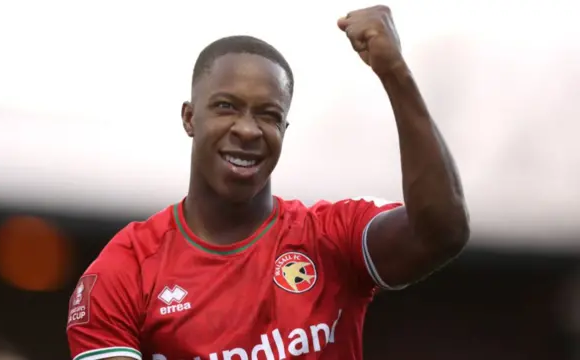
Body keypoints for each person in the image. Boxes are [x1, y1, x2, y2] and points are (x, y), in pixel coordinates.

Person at [66, 5, 470, 360]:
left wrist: (394, 71)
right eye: (226, 107)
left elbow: (442, 233)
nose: (247, 129)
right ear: (190, 118)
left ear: (284, 128)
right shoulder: (124, 273)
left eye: (268, 115)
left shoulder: (330, 239)